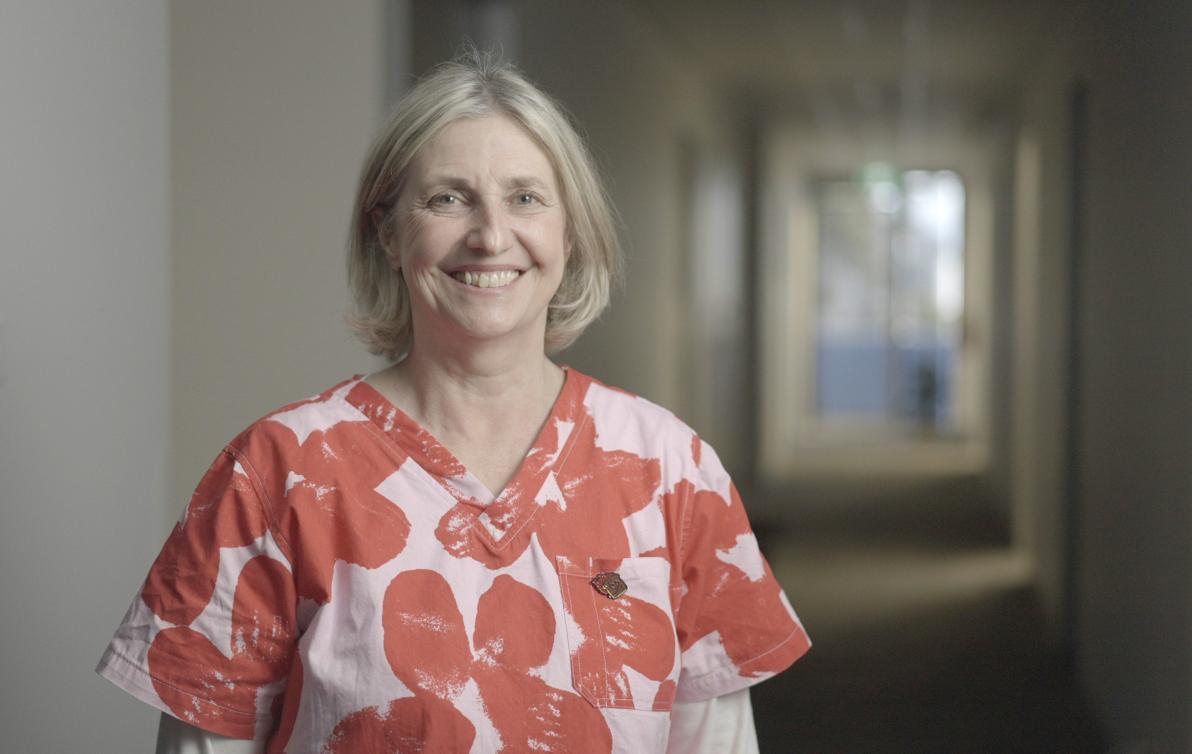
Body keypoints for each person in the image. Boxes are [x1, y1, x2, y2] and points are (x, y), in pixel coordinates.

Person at [97, 51, 810, 754]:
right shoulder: (276, 472)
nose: (492, 236)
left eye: (526, 197)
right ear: (387, 232)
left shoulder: (672, 470)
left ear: (570, 231)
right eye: (448, 198)